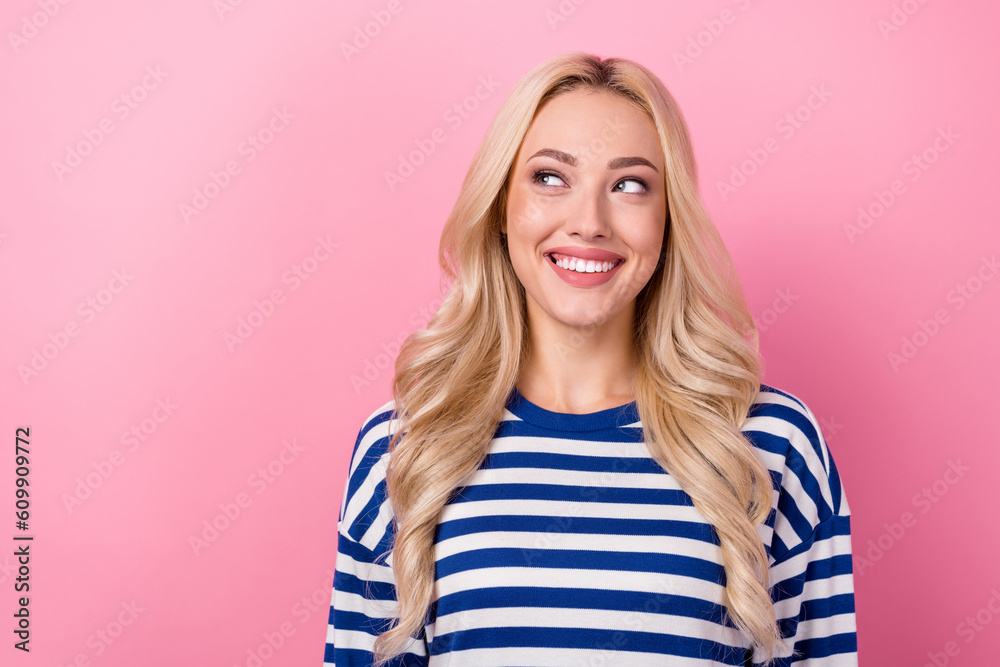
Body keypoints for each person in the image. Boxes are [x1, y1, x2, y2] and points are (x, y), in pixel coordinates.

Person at [324, 52, 857, 666]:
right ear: (501, 206)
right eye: (550, 177)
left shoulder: (768, 443)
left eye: (629, 185)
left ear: (667, 220)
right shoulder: (405, 446)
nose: (589, 222)